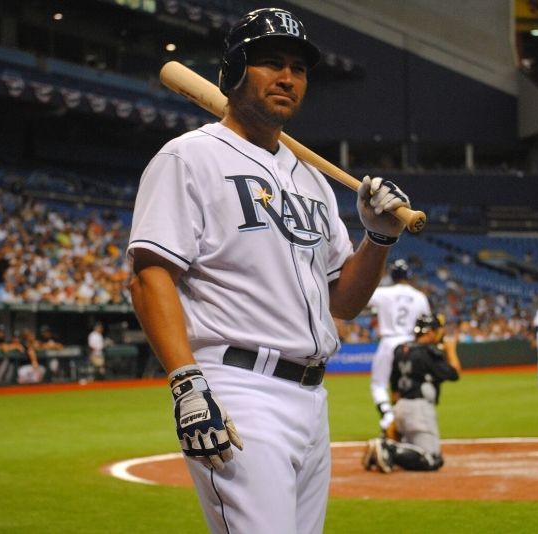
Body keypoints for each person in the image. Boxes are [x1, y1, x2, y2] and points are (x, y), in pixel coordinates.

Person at [127, 8, 411, 533]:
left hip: (311, 396)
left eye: (298, 68)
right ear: (234, 72)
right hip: (238, 388)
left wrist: (378, 238)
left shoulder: (313, 179)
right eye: (270, 63)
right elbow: (149, 276)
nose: (287, 77)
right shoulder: (189, 157)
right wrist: (187, 385)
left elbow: (342, 302)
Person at [362, 313, 461, 473]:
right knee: (432, 459)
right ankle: (388, 448)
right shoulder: (428, 353)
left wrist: (396, 417)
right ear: (429, 333)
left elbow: (394, 390)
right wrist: (451, 351)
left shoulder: (401, 350)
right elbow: (455, 374)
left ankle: (382, 448)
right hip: (419, 409)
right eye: (436, 331)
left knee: (418, 450)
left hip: (401, 407)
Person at [367, 259, 431, 433]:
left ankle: (388, 416)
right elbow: (426, 324)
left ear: (392, 275)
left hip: (389, 341)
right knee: (407, 385)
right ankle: (409, 421)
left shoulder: (382, 293)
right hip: (411, 343)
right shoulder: (420, 296)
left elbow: (362, 299)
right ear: (408, 276)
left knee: (379, 384)